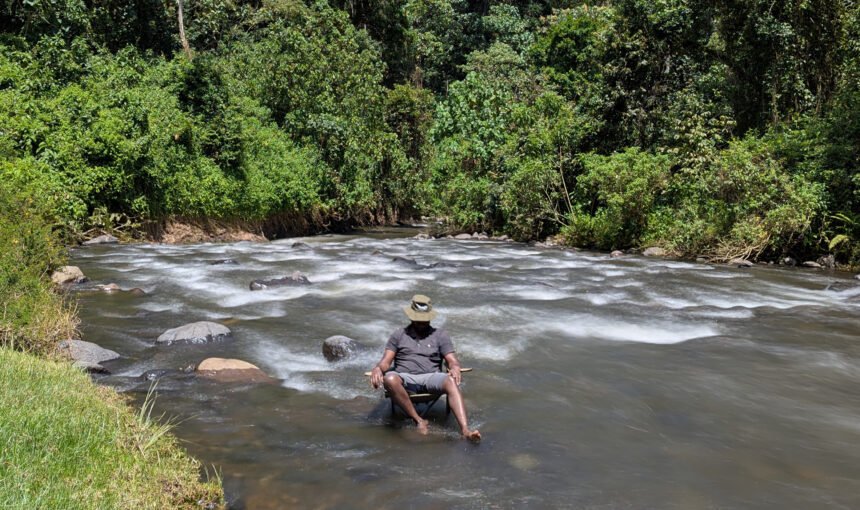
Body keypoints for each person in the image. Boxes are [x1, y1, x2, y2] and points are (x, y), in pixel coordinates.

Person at [369, 294, 481, 442]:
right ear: (411, 317)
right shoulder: (398, 335)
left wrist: (454, 367)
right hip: (405, 377)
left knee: (450, 381)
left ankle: (465, 430)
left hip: (431, 376)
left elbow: (452, 360)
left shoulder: (440, 335)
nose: (421, 323)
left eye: (424, 320)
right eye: (418, 320)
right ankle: (419, 420)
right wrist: (378, 368)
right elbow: (386, 361)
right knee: (389, 378)